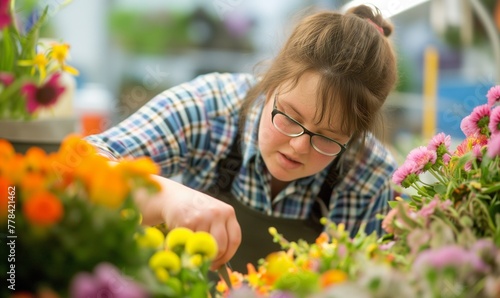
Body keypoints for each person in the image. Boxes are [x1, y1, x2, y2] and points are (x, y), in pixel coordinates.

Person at [84, 4, 398, 272]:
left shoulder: (368, 175)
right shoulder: (207, 111)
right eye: (289, 117)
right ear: (270, 82)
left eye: (328, 138)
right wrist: (165, 196)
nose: (299, 145)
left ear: (356, 136)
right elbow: (76, 166)